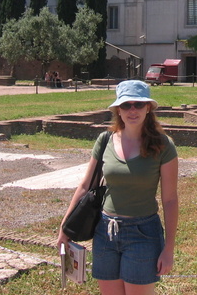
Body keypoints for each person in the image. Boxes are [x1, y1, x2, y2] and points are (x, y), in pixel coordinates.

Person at [57, 80, 179, 295]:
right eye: (126, 105)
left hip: (143, 232)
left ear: (148, 108)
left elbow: (170, 199)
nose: (132, 110)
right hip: (105, 231)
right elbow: (86, 186)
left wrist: (168, 249)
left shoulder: (163, 145)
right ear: (118, 110)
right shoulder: (105, 140)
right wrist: (65, 227)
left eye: (138, 104)